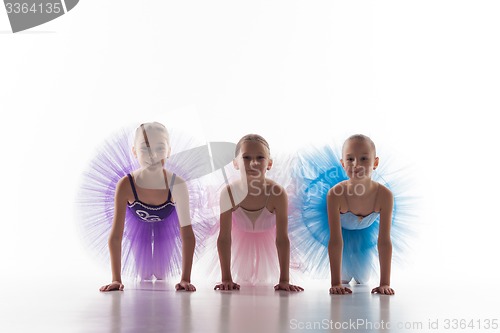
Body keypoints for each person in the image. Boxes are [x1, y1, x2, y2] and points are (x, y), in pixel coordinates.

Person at [78, 122, 198, 292]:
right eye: (145, 149)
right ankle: (142, 261)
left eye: (160, 148)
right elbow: (116, 235)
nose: (153, 156)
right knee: (145, 275)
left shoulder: (177, 184)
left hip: (167, 221)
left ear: (169, 151)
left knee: (161, 273)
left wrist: (185, 278)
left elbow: (187, 235)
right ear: (134, 152)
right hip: (138, 222)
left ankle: (162, 260)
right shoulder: (126, 185)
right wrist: (116, 279)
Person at [213, 134, 303, 291]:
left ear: (269, 163)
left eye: (260, 158)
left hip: (268, 237)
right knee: (244, 276)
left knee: (263, 279)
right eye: (246, 157)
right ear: (235, 163)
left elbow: (282, 238)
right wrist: (226, 278)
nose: (253, 163)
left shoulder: (277, 193)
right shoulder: (229, 193)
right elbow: (224, 238)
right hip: (240, 237)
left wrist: (284, 280)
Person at [327, 134, 394, 295]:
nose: (356, 164)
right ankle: (340, 277)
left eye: (364, 159)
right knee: (343, 279)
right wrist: (335, 283)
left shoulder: (384, 195)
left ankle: (358, 258)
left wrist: (385, 283)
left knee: (363, 278)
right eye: (350, 159)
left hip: (364, 231)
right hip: (341, 232)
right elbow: (335, 240)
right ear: (342, 164)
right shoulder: (335, 194)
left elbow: (384, 241)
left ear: (375, 162)